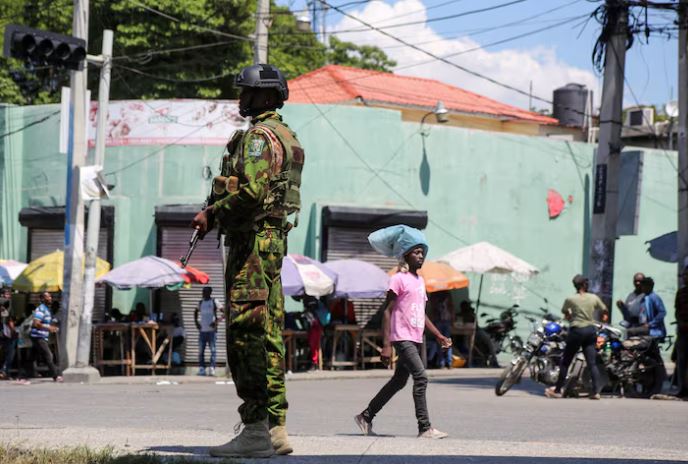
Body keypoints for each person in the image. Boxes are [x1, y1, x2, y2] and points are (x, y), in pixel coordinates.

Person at [191, 64, 303, 458]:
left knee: (246, 333)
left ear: (268, 97)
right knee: (269, 332)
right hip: (271, 242)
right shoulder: (286, 135)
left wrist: (213, 214)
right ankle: (275, 428)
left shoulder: (258, 137)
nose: (242, 99)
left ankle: (255, 428)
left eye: (249, 93)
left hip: (252, 245)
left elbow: (253, 191)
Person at [354, 239, 451, 439]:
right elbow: (387, 312)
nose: (421, 256)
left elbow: (421, 313)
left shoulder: (420, 281)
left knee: (398, 381)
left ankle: (366, 416)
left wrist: (438, 335)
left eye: (422, 252)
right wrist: (386, 345)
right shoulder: (398, 279)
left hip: (415, 337)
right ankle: (424, 428)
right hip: (401, 337)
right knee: (421, 377)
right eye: (416, 252)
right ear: (406, 255)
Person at [545, 275, 607, 400]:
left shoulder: (570, 299)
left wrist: (570, 316)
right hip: (590, 330)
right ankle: (596, 392)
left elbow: (566, 313)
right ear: (585, 285)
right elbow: (604, 310)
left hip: (576, 331)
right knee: (592, 363)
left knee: (565, 362)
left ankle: (557, 390)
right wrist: (603, 319)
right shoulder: (593, 297)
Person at [28, 292, 62, 382]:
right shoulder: (41, 309)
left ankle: (22, 376)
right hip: (38, 336)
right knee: (48, 355)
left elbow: (46, 322)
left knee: (31, 357)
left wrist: (52, 326)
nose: (50, 298)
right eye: (47, 297)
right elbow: (36, 323)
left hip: (41, 336)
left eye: (50, 296)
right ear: (42, 299)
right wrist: (48, 328)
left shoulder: (47, 309)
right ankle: (56, 376)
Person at [195, 287, 219, 376]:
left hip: (212, 331)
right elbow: (195, 312)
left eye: (205, 292)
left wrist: (216, 322)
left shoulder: (214, 302)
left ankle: (212, 368)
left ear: (210, 292)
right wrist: (196, 323)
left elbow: (224, 312)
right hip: (202, 331)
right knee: (201, 351)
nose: (203, 293)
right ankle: (202, 368)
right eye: (203, 292)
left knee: (213, 350)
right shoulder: (201, 302)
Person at [426, 292, 454, 369]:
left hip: (444, 320)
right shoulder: (435, 295)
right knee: (441, 341)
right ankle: (442, 362)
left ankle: (447, 361)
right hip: (439, 321)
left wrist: (452, 319)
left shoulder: (446, 294)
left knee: (446, 341)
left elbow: (451, 307)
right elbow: (432, 308)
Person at [674, 266, 688, 398]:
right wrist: (680, 322)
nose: (684, 277)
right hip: (683, 331)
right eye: (684, 275)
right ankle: (682, 388)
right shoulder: (681, 293)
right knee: (681, 361)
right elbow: (677, 311)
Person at [0, 300, 17, 380]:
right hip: (7, 337)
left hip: (3, 336)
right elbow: (10, 323)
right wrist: (14, 332)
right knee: (9, 355)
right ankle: (4, 372)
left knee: (4, 354)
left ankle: (3, 372)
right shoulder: (6, 312)